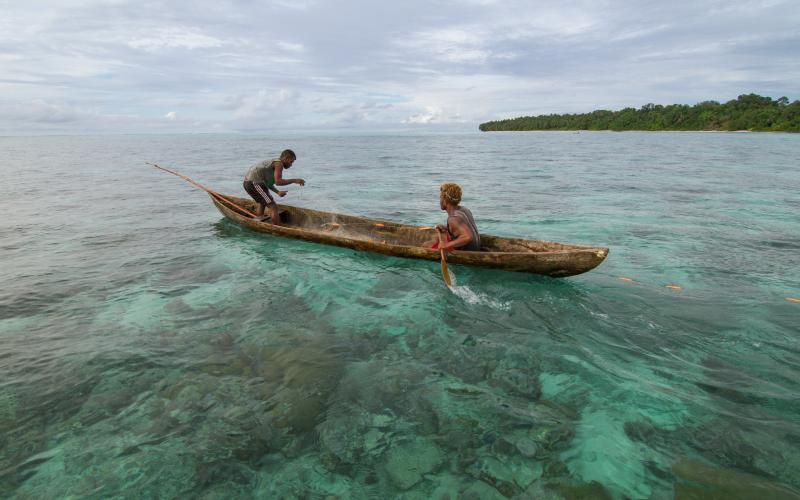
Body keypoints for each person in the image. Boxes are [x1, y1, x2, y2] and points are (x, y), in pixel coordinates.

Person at [243, 149, 305, 224]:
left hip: (255, 183)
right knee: (273, 206)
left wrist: (277, 192)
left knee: (263, 202)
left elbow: (268, 183)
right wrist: (295, 180)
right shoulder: (279, 164)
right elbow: (278, 182)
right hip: (253, 183)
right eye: (291, 162)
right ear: (286, 158)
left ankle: (260, 223)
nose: (291, 165)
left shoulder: (274, 164)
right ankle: (278, 227)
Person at [424, 182, 481, 251]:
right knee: (436, 237)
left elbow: (468, 237)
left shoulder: (453, 219)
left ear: (445, 200)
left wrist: (446, 245)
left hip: (466, 250)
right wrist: (447, 228)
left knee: (426, 245)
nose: (440, 200)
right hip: (475, 247)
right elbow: (463, 226)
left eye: (440, 197)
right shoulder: (464, 209)